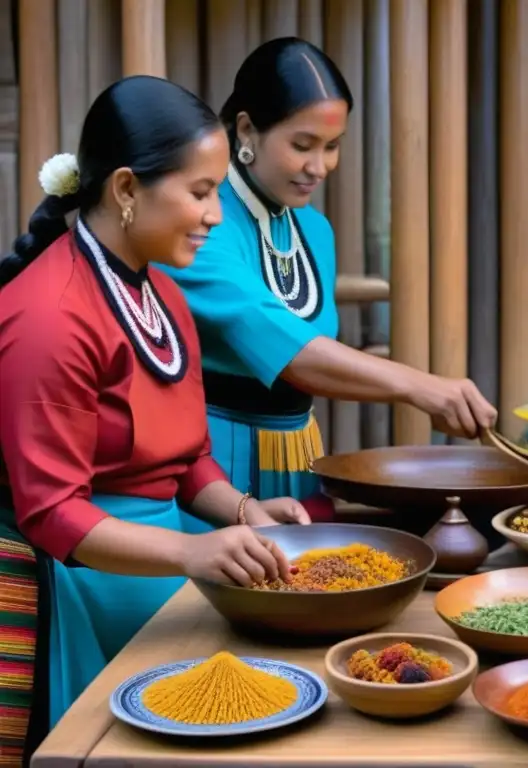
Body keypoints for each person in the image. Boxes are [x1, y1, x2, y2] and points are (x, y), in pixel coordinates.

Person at [0, 76, 308, 762]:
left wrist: (243, 510)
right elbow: (50, 511)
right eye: (200, 193)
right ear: (126, 189)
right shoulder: (49, 315)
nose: (215, 215)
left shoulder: (162, 292)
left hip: (164, 578)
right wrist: (194, 552)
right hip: (80, 586)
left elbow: (188, 457)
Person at [156, 38, 497, 533]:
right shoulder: (202, 222)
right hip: (210, 468)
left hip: (298, 459)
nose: (319, 167)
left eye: (331, 147)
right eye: (302, 145)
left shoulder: (313, 230)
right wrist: (421, 388)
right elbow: (291, 352)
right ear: (248, 129)